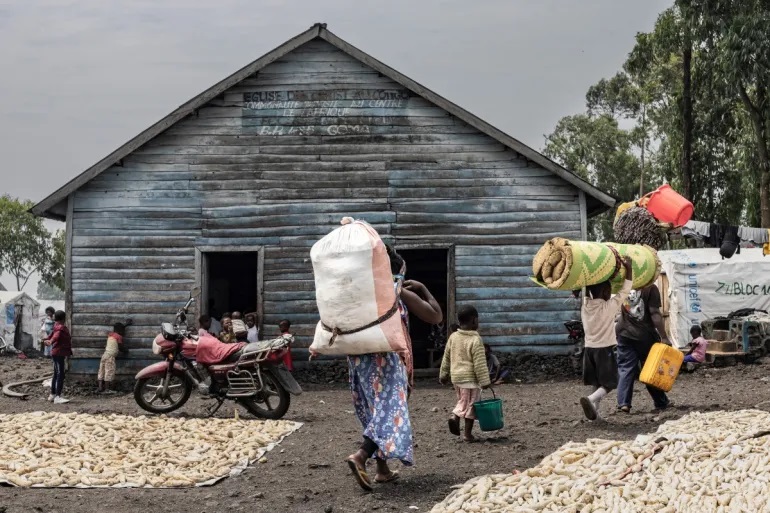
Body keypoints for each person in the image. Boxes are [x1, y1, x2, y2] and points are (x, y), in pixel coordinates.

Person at [344, 245, 442, 492]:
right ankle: (361, 455)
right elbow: (435, 316)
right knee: (389, 409)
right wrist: (421, 288)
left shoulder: (357, 291)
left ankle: (383, 470)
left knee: (373, 410)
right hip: (386, 358)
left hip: (358, 359)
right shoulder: (394, 290)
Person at [579, 257, 633, 421]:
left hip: (589, 349)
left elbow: (586, 291)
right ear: (605, 293)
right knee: (611, 383)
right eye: (609, 290)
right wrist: (629, 268)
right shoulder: (608, 307)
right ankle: (590, 400)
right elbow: (625, 291)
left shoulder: (585, 305)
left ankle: (594, 414)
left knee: (597, 381)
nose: (611, 293)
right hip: (605, 349)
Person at [616, 280, 671, 413]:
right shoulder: (650, 288)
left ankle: (624, 403)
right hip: (644, 335)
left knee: (626, 368)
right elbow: (654, 313)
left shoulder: (624, 285)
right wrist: (664, 336)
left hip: (623, 332)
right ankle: (661, 402)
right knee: (650, 368)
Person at [440, 305, 490, 442]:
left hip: (456, 378)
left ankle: (456, 418)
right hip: (470, 379)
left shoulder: (453, 337)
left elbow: (446, 357)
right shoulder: (475, 339)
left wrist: (443, 374)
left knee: (463, 400)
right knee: (471, 406)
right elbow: (479, 363)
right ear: (474, 321)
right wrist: (485, 381)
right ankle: (465, 431)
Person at [43, 310, 71, 404]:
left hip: (56, 353)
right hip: (59, 353)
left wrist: (47, 340)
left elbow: (52, 336)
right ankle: (58, 397)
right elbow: (56, 336)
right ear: (64, 318)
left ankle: (52, 394)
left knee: (56, 373)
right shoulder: (61, 328)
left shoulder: (55, 326)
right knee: (60, 374)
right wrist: (51, 341)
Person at [97, 320, 131, 394]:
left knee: (101, 371)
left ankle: (100, 388)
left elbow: (118, 329)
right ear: (120, 331)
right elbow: (120, 346)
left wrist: (126, 325)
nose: (124, 333)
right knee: (109, 371)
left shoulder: (110, 335)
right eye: (123, 331)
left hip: (104, 355)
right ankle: (107, 389)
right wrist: (125, 350)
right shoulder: (119, 337)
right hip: (110, 357)